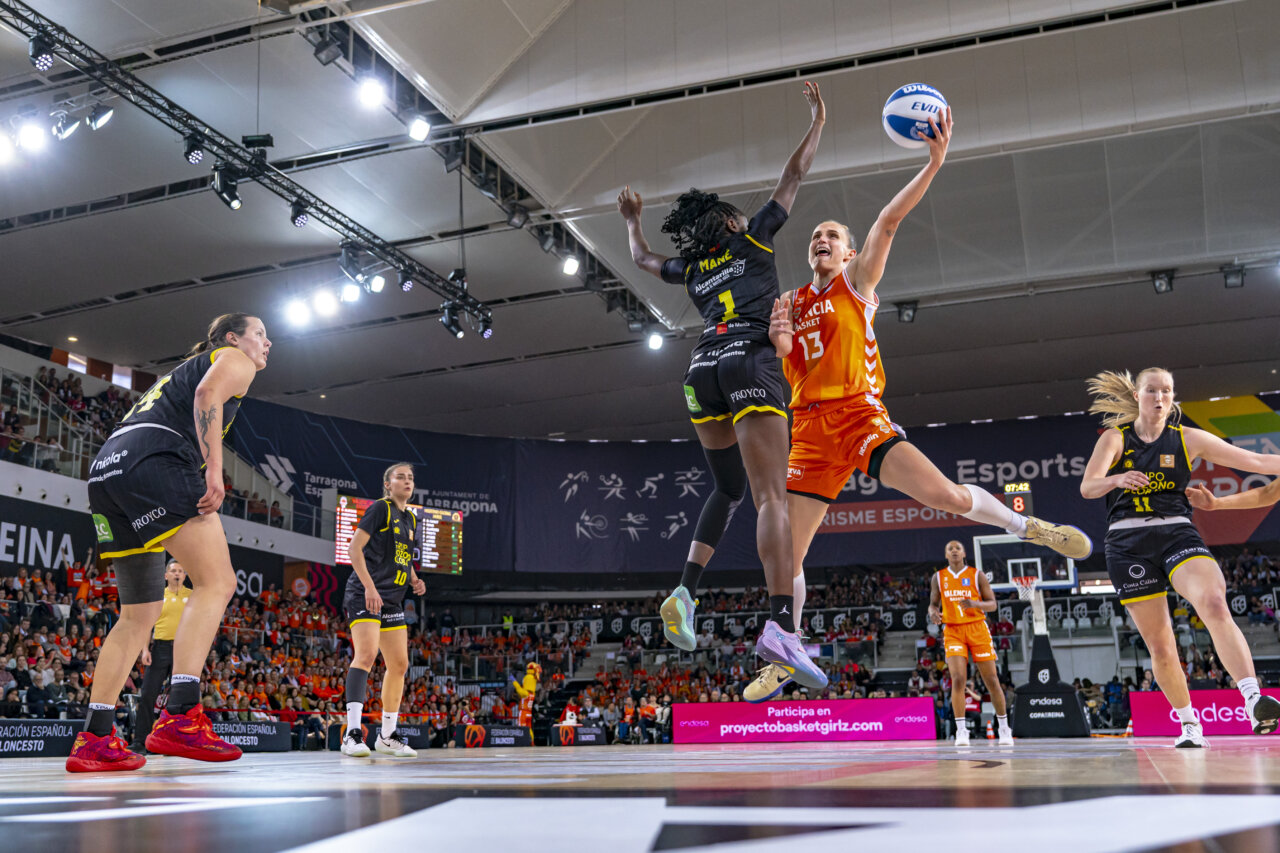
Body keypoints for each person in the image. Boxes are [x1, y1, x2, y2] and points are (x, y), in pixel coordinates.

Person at [748, 106, 1090, 702]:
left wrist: (932, 163)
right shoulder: (790, 301)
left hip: (859, 416)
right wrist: (778, 347)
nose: (820, 239)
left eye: (831, 235)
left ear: (849, 253)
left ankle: (1028, 527)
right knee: (784, 554)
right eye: (814, 236)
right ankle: (788, 644)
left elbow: (887, 221)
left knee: (948, 497)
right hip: (807, 430)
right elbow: (789, 369)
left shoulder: (855, 284)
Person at [617, 81, 828, 692]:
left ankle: (685, 592)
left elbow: (644, 262)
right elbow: (792, 176)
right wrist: (817, 121)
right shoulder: (753, 238)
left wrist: (633, 222)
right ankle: (780, 624)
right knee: (772, 499)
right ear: (730, 223)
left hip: (701, 369)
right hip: (751, 362)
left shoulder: (696, 267)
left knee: (729, 487)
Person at [66, 313, 270, 772]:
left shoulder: (178, 373)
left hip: (106, 471)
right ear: (233, 337)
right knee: (217, 583)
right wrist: (215, 467)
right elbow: (207, 395)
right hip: (154, 461)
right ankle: (180, 713)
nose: (266, 343)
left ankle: (95, 736)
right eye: (260, 333)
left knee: (139, 614)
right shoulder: (234, 359)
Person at [1080, 368, 1280, 746]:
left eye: (1166, 391)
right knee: (1161, 644)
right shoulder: (1115, 439)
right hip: (1126, 542)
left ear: (1173, 398)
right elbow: (1088, 487)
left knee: (1214, 601)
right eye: (1152, 390)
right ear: (1138, 395)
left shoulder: (1188, 439)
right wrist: (1116, 479)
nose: (1159, 397)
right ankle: (1190, 725)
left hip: (1176, 531)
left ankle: (1253, 699)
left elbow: (1255, 462)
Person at [339, 463, 426, 758]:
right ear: (387, 484)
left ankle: (387, 736)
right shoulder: (380, 508)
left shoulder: (411, 519)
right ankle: (352, 735)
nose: (407, 481)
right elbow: (354, 550)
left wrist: (413, 578)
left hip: (391, 598)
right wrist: (370, 588)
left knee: (399, 665)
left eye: (410, 478)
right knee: (365, 655)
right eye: (400, 477)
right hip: (365, 593)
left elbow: (400, 556)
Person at [928, 540, 1012, 746]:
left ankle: (1004, 728)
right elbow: (933, 604)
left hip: (977, 628)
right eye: (950, 548)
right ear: (946, 555)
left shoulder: (976, 574)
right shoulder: (938, 577)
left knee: (991, 680)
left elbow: (992, 604)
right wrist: (932, 613)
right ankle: (961, 730)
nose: (954, 550)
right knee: (958, 679)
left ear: (964, 552)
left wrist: (975, 603)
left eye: (957, 547)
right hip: (953, 630)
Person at [129, 560, 190, 753]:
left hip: (184, 648)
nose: (177, 573)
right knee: (148, 694)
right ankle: (140, 741)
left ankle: (177, 741)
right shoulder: (158, 596)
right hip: (160, 648)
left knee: (180, 698)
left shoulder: (193, 596)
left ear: (185, 575)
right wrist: (145, 650)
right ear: (165, 575)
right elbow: (147, 625)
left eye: (180, 571)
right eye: (173, 571)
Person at [513, 661, 541, 735]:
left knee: (521, 729)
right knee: (529, 729)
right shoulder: (533, 694)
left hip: (523, 712)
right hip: (529, 713)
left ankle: (522, 742)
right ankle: (531, 742)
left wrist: (514, 682)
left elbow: (520, 690)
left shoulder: (526, 693)